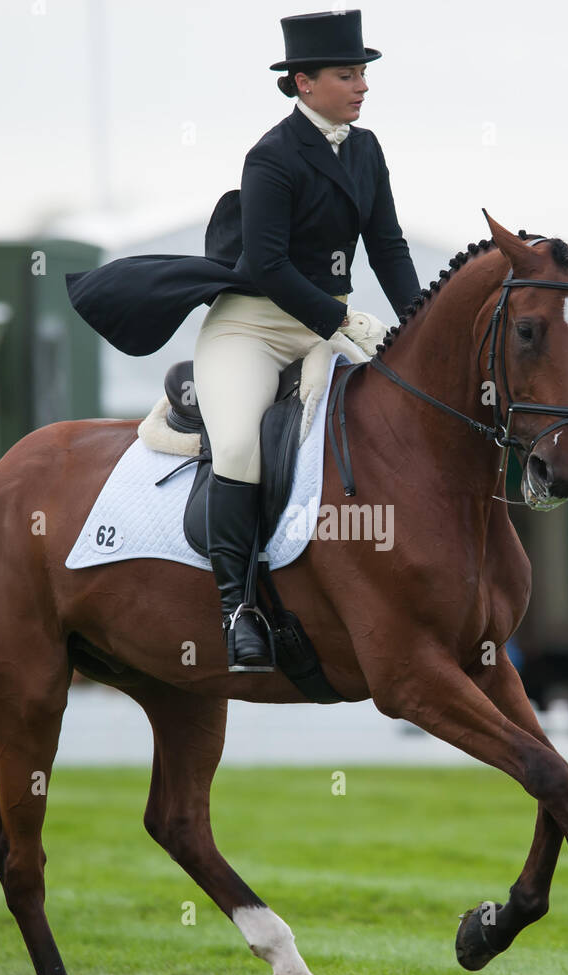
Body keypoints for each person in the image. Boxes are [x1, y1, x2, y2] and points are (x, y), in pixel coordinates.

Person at [65, 9, 422, 672]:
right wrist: (342, 322)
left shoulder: (366, 151)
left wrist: (419, 321)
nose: (362, 85)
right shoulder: (273, 157)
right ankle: (238, 610)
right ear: (304, 83)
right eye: (348, 74)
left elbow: (390, 248)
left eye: (364, 72)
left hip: (322, 328)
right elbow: (268, 265)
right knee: (236, 445)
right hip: (253, 328)